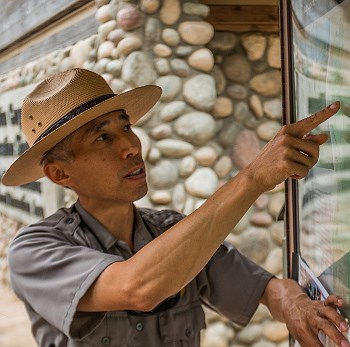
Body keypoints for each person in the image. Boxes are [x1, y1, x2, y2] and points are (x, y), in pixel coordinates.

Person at [2, 68, 349, 347]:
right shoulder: (34, 251)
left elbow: (267, 289)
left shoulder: (171, 233)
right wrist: (255, 176)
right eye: (103, 137)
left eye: (126, 126)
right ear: (60, 173)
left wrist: (296, 304)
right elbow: (137, 287)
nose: (131, 146)